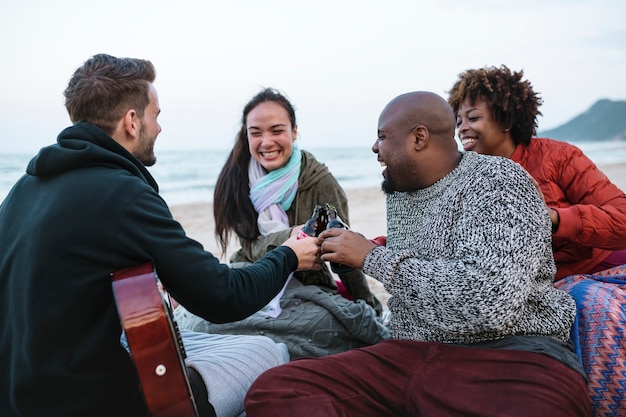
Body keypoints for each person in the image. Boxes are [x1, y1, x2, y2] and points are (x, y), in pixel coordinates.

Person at [0, 54, 322, 417]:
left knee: (186, 341)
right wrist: (290, 254)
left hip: (19, 396)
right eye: (156, 115)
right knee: (266, 350)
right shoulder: (122, 193)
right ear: (132, 121)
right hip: (92, 402)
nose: (159, 128)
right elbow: (225, 297)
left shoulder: (21, 190)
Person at [243, 91, 592, 417]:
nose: (374, 148)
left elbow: (489, 305)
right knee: (276, 390)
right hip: (409, 356)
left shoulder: (498, 180)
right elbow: (421, 274)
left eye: (382, 136)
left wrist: (371, 257)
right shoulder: (403, 195)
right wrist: (360, 249)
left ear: (419, 138)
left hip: (510, 357)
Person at [448, 65, 626, 416]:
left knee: (591, 306)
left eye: (473, 117)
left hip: (602, 266)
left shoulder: (559, 157)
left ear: (506, 118)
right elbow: (433, 236)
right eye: (457, 120)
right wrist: (366, 245)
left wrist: (557, 218)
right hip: (538, 288)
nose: (462, 128)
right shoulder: (461, 179)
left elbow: (621, 216)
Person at [174, 88, 389, 359]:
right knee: (197, 323)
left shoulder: (320, 181)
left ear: (294, 132)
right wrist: (292, 239)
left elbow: (343, 253)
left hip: (307, 284)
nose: (266, 142)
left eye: (276, 131)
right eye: (256, 133)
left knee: (336, 329)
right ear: (246, 135)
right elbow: (250, 248)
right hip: (254, 276)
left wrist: (368, 303)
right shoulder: (237, 179)